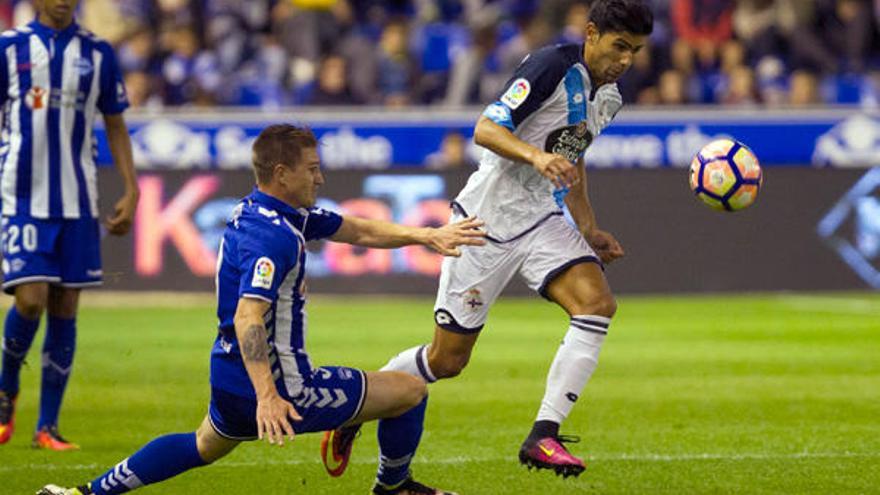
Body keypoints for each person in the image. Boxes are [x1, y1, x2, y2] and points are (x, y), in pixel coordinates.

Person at [37, 124, 485, 495]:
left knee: (202, 445)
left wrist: (426, 236)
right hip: (282, 388)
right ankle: (395, 487)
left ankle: (85, 493)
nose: (320, 179)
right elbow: (248, 316)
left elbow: (357, 230)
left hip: (228, 378)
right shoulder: (275, 238)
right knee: (409, 392)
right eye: (312, 170)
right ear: (281, 173)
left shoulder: (261, 212)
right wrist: (270, 397)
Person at [328, 0, 653, 479]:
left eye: (636, 50)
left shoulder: (610, 97)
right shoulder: (550, 66)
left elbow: (572, 155)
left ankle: (543, 434)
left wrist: (588, 227)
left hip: (541, 217)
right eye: (619, 46)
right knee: (447, 360)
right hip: (485, 222)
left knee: (597, 304)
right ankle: (359, 403)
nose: (626, 59)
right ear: (591, 33)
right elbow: (485, 128)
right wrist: (535, 158)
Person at [0, 0, 139, 450]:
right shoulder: (8, 48)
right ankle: (6, 390)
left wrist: (131, 187)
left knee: (65, 306)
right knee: (31, 298)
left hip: (77, 198)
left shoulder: (98, 53)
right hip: (20, 194)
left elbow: (115, 123)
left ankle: (48, 427)